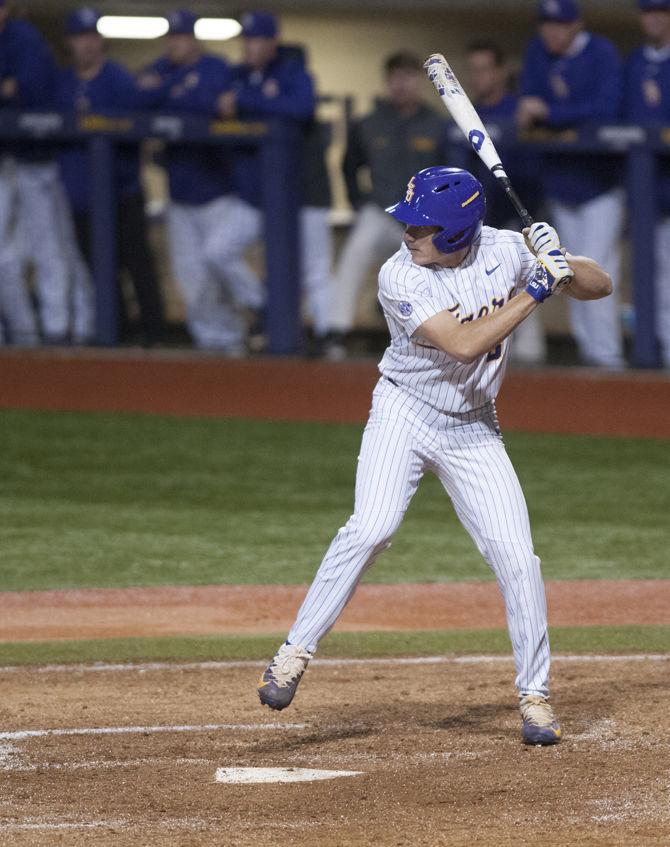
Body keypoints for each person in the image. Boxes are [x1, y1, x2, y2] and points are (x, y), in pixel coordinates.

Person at [257, 166, 614, 745]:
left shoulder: (505, 249)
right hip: (404, 412)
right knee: (372, 527)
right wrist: (539, 289)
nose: (407, 234)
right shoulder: (400, 276)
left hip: (474, 427)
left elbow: (601, 288)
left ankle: (536, 696)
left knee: (518, 557)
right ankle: (294, 652)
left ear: (454, 233)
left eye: (420, 226)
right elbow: (466, 344)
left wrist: (565, 262)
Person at [517, 0, 625, 368]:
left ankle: (607, 357)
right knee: (565, 272)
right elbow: (528, 102)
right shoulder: (537, 51)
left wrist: (552, 114)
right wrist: (539, 113)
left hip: (600, 186)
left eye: (559, 23)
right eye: (546, 23)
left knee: (596, 270)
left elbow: (606, 110)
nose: (551, 31)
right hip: (560, 184)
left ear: (577, 25)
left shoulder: (601, 52)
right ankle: (588, 354)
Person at [324, 52, 450, 360]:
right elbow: (348, 165)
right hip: (380, 209)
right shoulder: (369, 123)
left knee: (432, 275)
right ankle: (335, 330)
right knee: (355, 253)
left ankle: (436, 337)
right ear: (387, 81)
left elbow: (450, 172)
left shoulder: (437, 124)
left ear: (419, 82)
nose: (401, 84)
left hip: (422, 216)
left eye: (408, 77)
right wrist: (358, 202)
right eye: (395, 77)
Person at [215, 12, 329, 350]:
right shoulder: (234, 75)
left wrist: (246, 103)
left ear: (272, 42)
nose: (250, 46)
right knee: (217, 251)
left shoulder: (292, 72)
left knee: (311, 270)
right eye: (246, 40)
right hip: (252, 194)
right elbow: (210, 104)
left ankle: (324, 336)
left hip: (296, 193)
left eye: (257, 39)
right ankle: (265, 308)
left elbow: (302, 108)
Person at [57, 7, 165, 346]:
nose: (87, 45)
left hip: (123, 191)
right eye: (80, 38)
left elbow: (143, 120)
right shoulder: (63, 84)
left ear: (101, 40)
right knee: (98, 269)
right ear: (70, 43)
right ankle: (117, 334)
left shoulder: (118, 78)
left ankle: (154, 333)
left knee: (137, 263)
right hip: (80, 195)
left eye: (92, 37)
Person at [135, 10, 241, 353]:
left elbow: (213, 106)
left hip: (218, 190)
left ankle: (232, 336)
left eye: (182, 37)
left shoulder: (215, 66)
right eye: (171, 37)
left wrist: (170, 94)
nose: (175, 44)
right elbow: (139, 98)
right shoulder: (162, 68)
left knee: (214, 271)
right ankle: (209, 341)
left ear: (195, 39)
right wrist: (177, 90)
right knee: (188, 276)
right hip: (178, 193)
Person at [465, 40, 546, 366]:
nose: (478, 77)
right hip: (476, 218)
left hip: (516, 216)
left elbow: (532, 171)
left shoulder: (519, 111)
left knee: (524, 278)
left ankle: (532, 353)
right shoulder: (468, 113)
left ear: (500, 72)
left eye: (485, 69)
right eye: (472, 70)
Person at [0, 0, 68, 344]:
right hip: (6, 162)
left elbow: (28, 89)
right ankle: (23, 331)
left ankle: (57, 331)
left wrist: (12, 88)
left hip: (37, 160)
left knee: (47, 250)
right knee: (4, 258)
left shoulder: (24, 37)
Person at [624, 0, 670, 368]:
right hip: (647, 188)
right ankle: (659, 352)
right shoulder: (635, 62)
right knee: (651, 271)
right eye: (649, 11)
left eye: (662, 11)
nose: (654, 18)